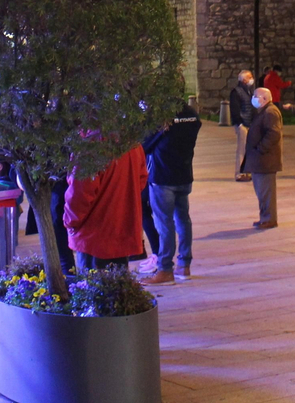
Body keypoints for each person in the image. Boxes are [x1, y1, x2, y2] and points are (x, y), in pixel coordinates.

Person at [141, 102, 201, 285]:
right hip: (184, 175)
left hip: (163, 177)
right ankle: (184, 265)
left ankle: (165, 269)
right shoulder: (192, 114)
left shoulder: (162, 116)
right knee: (183, 219)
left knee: (164, 224)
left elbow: (144, 144)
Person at [63, 143, 148, 272]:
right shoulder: (132, 142)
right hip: (122, 228)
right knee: (118, 286)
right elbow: (141, 178)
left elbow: (80, 193)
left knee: (93, 287)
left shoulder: (90, 146)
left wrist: (69, 221)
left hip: (94, 236)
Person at [241, 88, 282, 228]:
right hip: (260, 160)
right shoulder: (264, 111)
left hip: (265, 160)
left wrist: (261, 149)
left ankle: (269, 219)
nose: (254, 98)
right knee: (262, 192)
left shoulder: (270, 112)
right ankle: (264, 217)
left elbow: (274, 133)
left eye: (256, 96)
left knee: (266, 192)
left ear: (264, 98)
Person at [230, 70, 256, 182]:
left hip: (250, 123)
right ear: (244, 80)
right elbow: (235, 108)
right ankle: (239, 172)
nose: (252, 79)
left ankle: (247, 171)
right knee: (242, 149)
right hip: (243, 124)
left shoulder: (249, 91)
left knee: (249, 149)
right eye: (249, 77)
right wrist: (239, 123)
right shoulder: (236, 92)